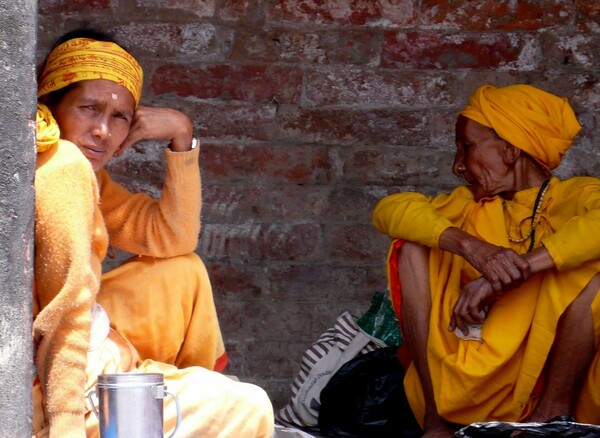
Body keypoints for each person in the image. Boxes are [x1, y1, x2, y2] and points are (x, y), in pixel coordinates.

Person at [33, 32, 274, 437]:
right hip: (60, 384)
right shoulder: (64, 168)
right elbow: (66, 313)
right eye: (89, 109)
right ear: (51, 105)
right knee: (249, 408)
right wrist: (65, 425)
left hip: (93, 345)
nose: (103, 131)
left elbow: (173, 238)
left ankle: (188, 395)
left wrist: (182, 134)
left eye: (120, 117)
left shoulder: (67, 164)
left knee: (182, 269)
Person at [372, 84, 600, 437]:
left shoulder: (574, 196)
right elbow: (389, 210)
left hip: (550, 370)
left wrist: (518, 270)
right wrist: (473, 248)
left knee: (591, 267)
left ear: (509, 150)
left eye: (466, 147)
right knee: (413, 247)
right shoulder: (467, 204)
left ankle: (552, 416)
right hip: (471, 368)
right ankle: (437, 421)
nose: (458, 165)